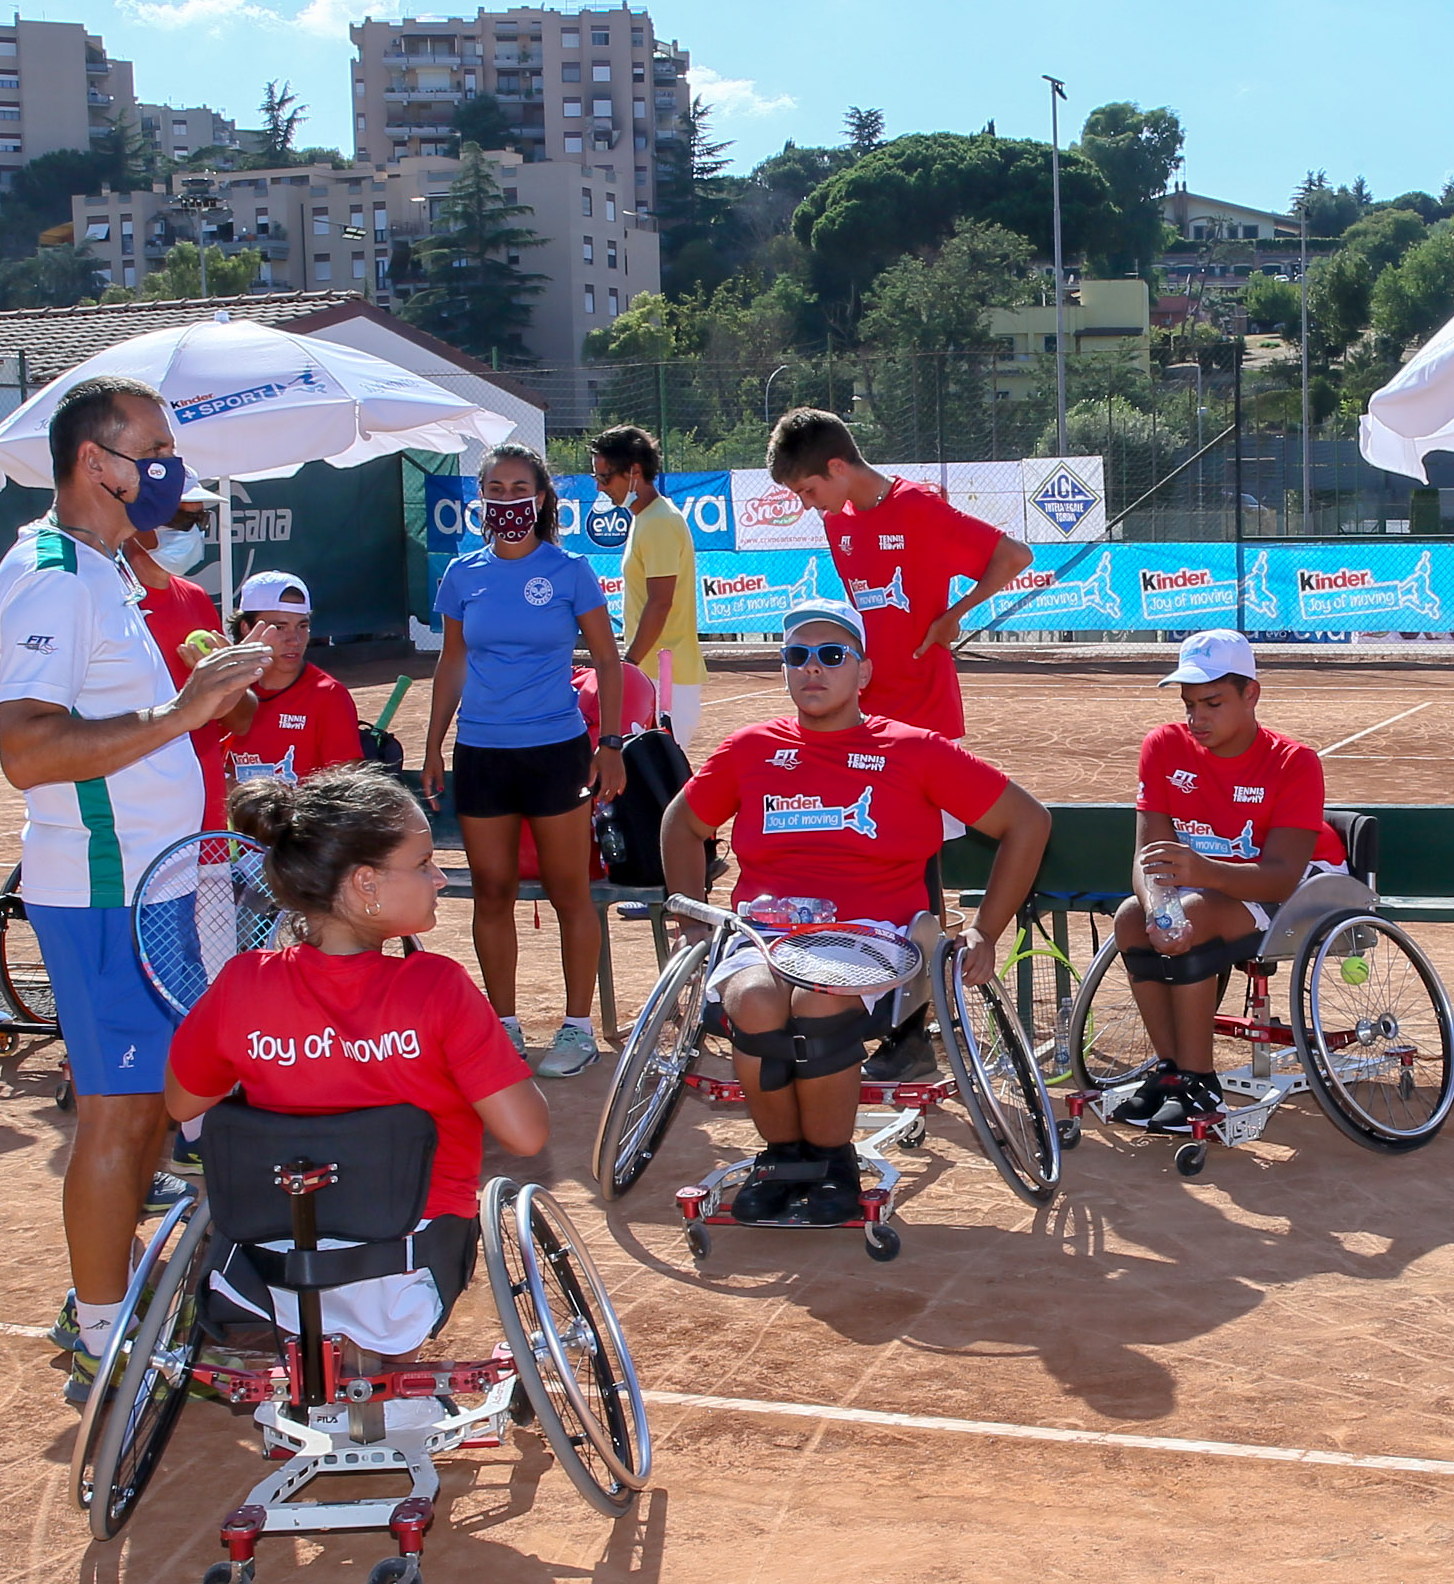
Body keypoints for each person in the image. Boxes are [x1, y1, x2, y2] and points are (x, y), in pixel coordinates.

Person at [0, 374, 272, 1392]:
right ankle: (104, 1331)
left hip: (149, 881)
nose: (169, 468)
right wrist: (181, 713)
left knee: (151, 1103)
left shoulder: (102, 570)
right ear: (96, 463)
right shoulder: (55, 571)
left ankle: (123, 1301)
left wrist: (200, 700)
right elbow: (24, 748)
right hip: (102, 889)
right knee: (117, 1110)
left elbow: (30, 691)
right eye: (151, 448)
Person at [660, 595, 1052, 1229]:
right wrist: (689, 924)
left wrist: (984, 929)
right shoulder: (752, 748)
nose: (813, 668)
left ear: (862, 672)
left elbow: (1027, 822)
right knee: (755, 1001)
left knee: (819, 1000)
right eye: (797, 656)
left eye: (831, 655)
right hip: (764, 930)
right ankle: (783, 1158)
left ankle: (833, 1161)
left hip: (870, 935)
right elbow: (682, 824)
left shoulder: (913, 750)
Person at [166, 768, 547, 1358]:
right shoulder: (438, 988)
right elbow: (526, 1135)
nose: (440, 878)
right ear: (365, 883)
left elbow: (183, 1102)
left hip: (273, 1274)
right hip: (407, 1271)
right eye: (423, 864)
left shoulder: (243, 984)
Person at [426, 439, 635, 1078]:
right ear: (480, 500)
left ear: (542, 498)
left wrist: (610, 743)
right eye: (497, 489)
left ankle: (576, 1029)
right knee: (492, 892)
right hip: (484, 751)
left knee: (571, 890)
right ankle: (506, 1027)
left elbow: (607, 659)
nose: (509, 500)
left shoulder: (570, 570)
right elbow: (452, 661)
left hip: (557, 751)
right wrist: (434, 743)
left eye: (522, 489)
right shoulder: (463, 575)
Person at [1103, 628, 1345, 1134]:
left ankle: (1201, 1080)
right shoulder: (1165, 746)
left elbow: (1280, 878)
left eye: (1212, 702)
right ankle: (1172, 1073)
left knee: (1190, 914)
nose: (1197, 718)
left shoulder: (1294, 761)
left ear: (1251, 693)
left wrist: (1197, 875)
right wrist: (1156, 910)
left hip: (1298, 887)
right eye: (1190, 704)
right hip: (1208, 888)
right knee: (1132, 918)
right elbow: (1148, 856)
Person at [768, 406, 1030, 739]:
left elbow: (1015, 556)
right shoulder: (835, 521)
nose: (806, 505)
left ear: (837, 467)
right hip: (865, 713)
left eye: (808, 490)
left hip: (927, 712)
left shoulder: (918, 508)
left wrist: (952, 616)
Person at [125, 488, 249, 830]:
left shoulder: (195, 598)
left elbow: (238, 719)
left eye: (200, 520)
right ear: (138, 523)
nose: (193, 532)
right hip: (140, 812)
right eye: (181, 520)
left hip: (204, 803)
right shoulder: (110, 600)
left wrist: (232, 677)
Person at [591, 425, 705, 748]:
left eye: (605, 477)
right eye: (596, 477)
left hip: (664, 676)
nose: (600, 487)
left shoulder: (658, 522)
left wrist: (627, 665)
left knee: (660, 777)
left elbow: (660, 602)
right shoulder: (646, 518)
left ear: (634, 472)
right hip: (655, 673)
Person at [215, 570, 366, 793]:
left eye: (302, 626)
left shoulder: (329, 695)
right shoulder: (219, 689)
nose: (294, 640)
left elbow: (345, 790)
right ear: (246, 628)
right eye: (279, 627)